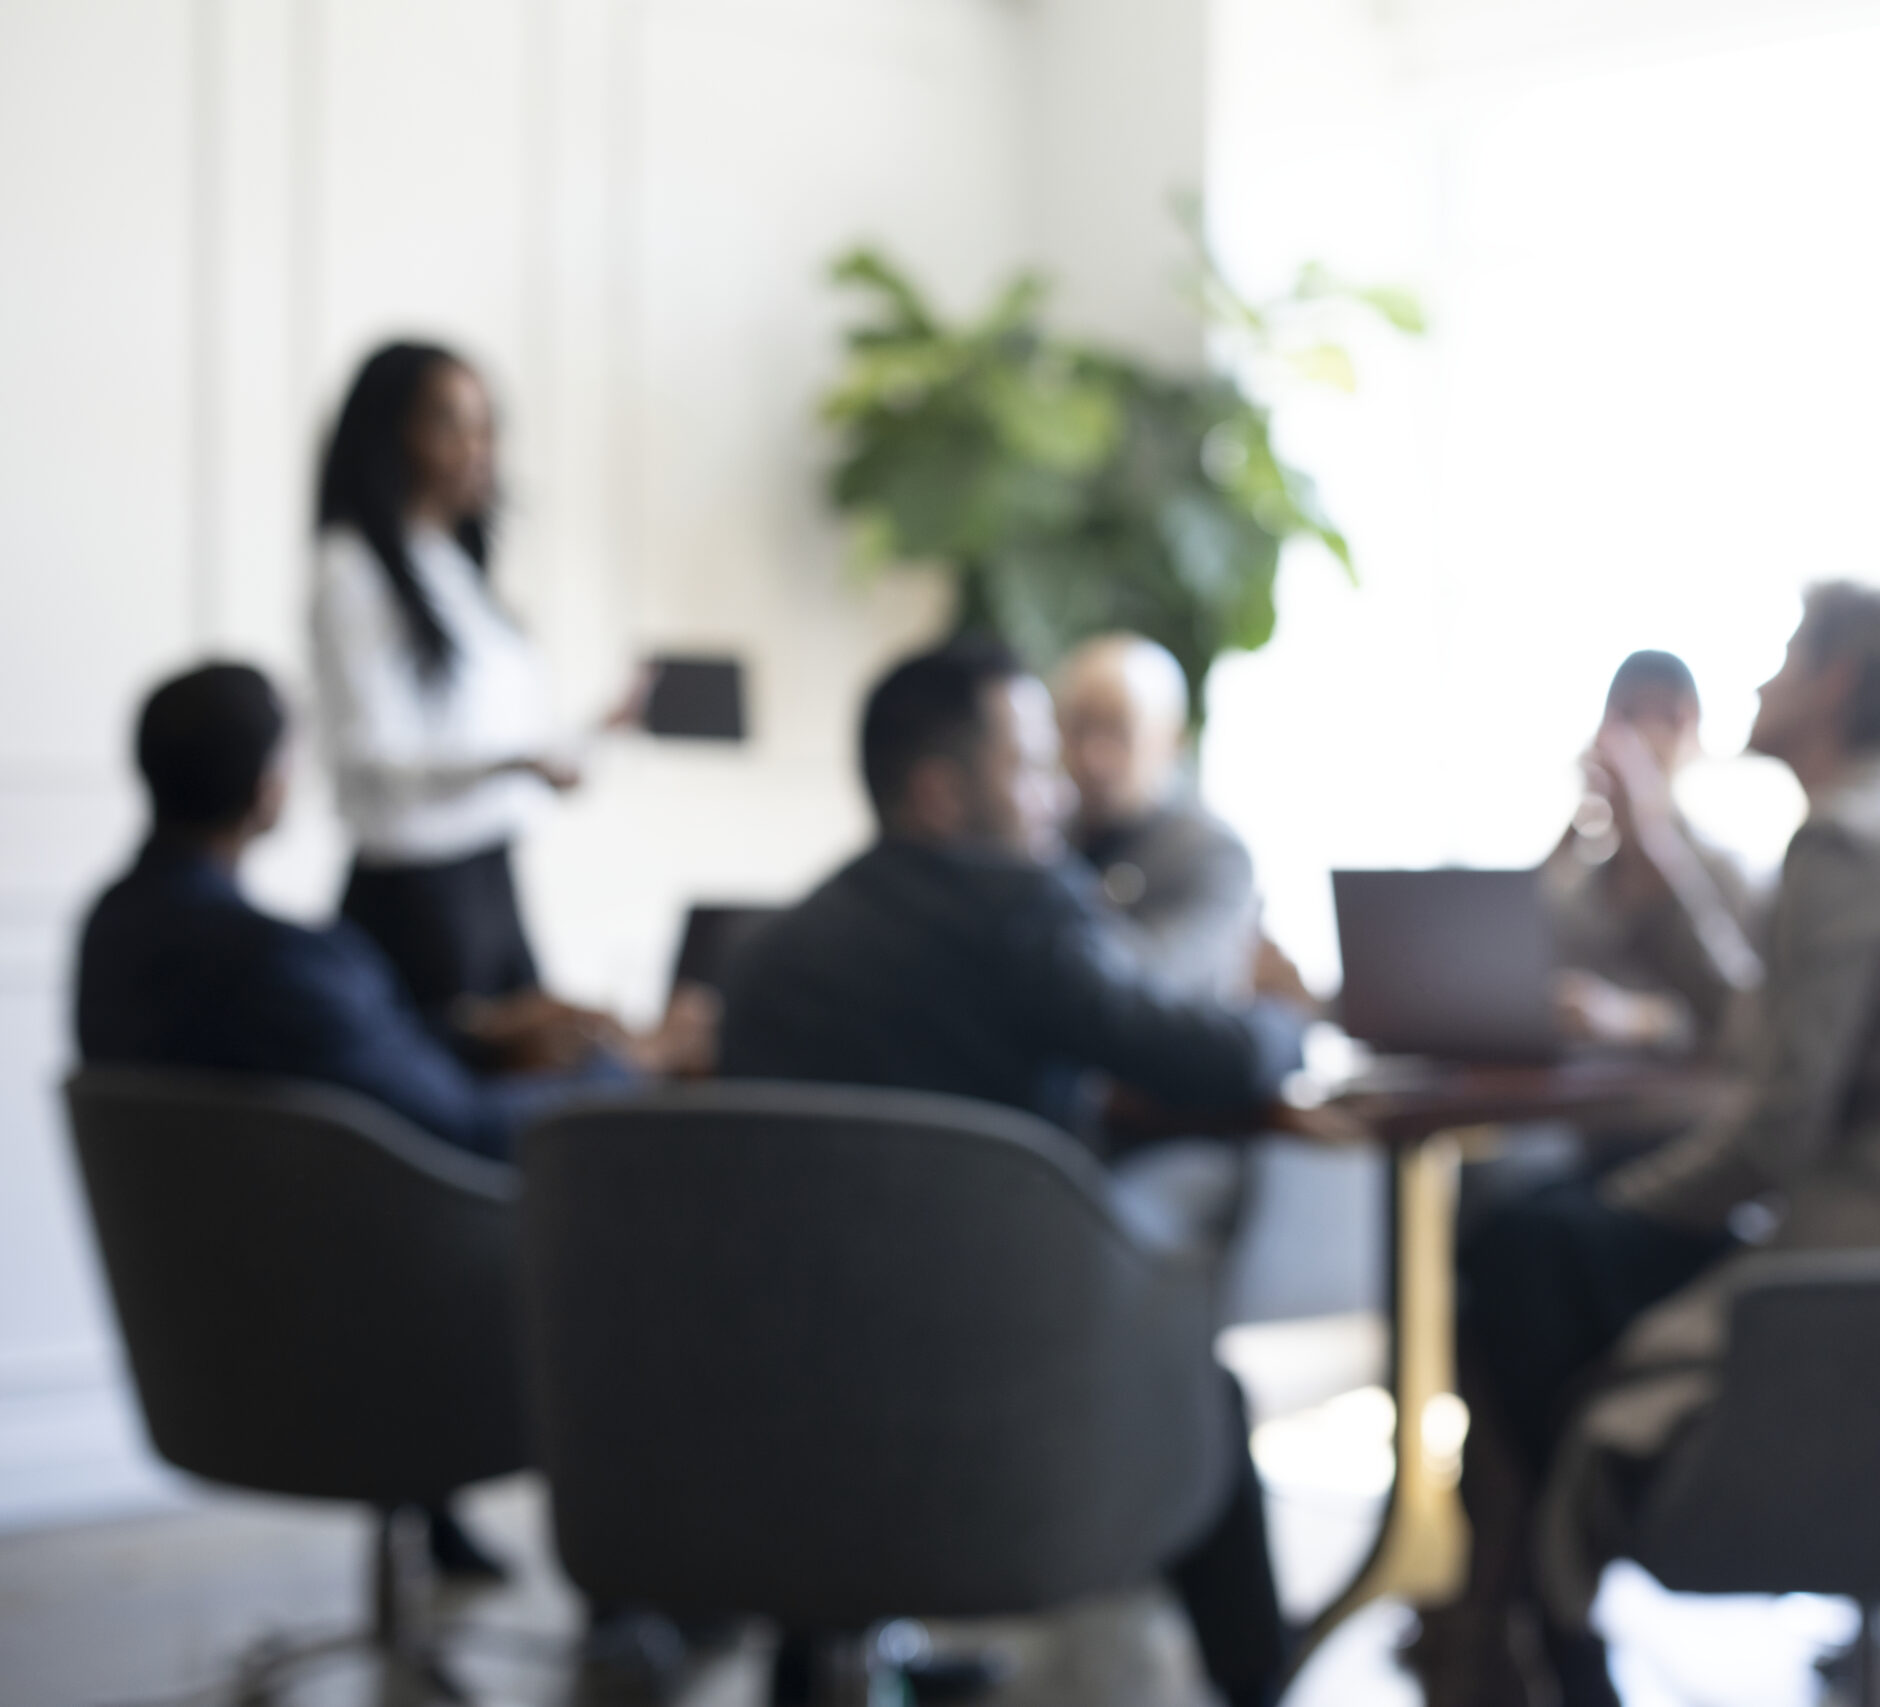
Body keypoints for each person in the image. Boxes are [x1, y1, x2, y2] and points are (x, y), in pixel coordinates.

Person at [1423, 585, 1880, 1707]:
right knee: (1531, 1238)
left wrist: (1628, 1210)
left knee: (1527, 1252)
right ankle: (1520, 1629)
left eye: (1787, 658)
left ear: (1838, 684)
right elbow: (1760, 1019)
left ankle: (1529, 1631)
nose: (1760, 683)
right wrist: (1647, 861)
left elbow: (1775, 1121)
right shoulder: (1877, 830)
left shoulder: (1842, 849)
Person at [719, 637, 1311, 1707]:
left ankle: (826, 1660)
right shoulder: (1017, 917)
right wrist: (1282, 1020)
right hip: (996, 1419)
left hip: (773, 1410)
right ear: (943, 794)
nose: (1058, 791)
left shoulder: (769, 954)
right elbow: (1202, 1051)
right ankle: (1255, 1690)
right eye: (1029, 764)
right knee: (1200, 1387)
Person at [74, 663, 706, 1582]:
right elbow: (469, 1135)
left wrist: (480, 1033)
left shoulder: (114, 936)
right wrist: (632, 1066)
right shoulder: (279, 961)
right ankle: (652, 1599)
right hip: (367, 1338)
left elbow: (313, 1068)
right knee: (647, 1250)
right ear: (268, 785)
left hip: (217, 1341)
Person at [309, 341, 638, 1051]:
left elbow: (488, 741)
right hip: (416, 900)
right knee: (461, 1117)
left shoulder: (453, 567)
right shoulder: (353, 572)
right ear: (390, 434)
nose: (475, 448)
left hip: (489, 880)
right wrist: (516, 763)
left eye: (486, 426)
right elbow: (378, 759)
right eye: (450, 424)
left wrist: (591, 735)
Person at [1543, 649, 1763, 1060]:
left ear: (1689, 727)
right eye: (1625, 716)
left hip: (1668, 1108)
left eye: (1665, 717)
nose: (1639, 738)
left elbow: (1740, 1012)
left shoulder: (1724, 871)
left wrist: (1632, 1018)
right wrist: (1574, 825)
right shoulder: (1577, 879)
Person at [1055, 632, 1262, 1000]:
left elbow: (1159, 981)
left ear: (1172, 740)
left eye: (1119, 732)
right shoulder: (1044, 836)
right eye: (1079, 728)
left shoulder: (1212, 853)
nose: (1094, 756)